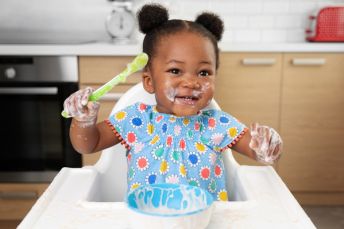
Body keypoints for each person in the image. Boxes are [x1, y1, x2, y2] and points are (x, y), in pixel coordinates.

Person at [63, 4, 283, 201]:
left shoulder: (217, 123)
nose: (191, 82)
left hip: (204, 223)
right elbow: (88, 144)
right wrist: (83, 121)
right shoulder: (136, 119)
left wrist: (266, 146)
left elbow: (255, 149)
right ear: (149, 81)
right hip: (147, 222)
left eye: (204, 72)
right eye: (176, 70)